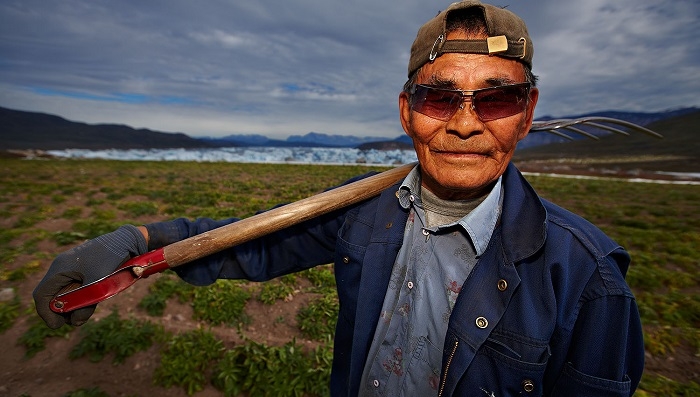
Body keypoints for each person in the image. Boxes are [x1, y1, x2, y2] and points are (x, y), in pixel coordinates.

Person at [34, 1, 644, 396]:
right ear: (406, 112)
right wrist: (140, 243)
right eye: (438, 99)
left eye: (496, 99)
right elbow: (256, 243)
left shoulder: (589, 279)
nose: (465, 125)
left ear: (528, 113)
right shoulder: (362, 215)